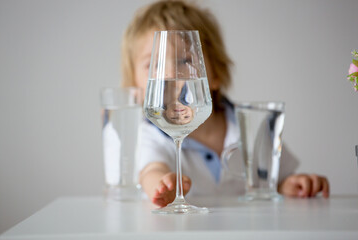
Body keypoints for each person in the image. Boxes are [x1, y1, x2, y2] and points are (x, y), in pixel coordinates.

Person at [121, 0, 330, 207]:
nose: (169, 74)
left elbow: (277, 178)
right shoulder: (151, 134)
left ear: (215, 75)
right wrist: (161, 184)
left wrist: (291, 184)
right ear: (136, 88)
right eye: (152, 65)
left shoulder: (251, 126)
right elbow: (150, 170)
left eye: (185, 61)